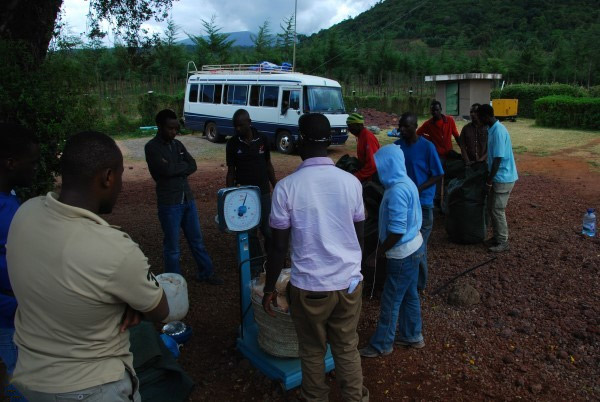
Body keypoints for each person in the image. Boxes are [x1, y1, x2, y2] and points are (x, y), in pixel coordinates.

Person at [6, 131, 170, 401]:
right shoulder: (115, 250)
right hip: (92, 387)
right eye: (120, 176)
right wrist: (129, 300)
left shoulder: (26, 213)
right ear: (107, 177)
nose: (122, 186)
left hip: (32, 379)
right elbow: (161, 310)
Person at [263, 113, 369, 402]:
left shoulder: (286, 188)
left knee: (311, 351)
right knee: (347, 348)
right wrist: (352, 272)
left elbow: (277, 247)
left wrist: (270, 288)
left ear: (300, 140)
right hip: (347, 283)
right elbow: (359, 237)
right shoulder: (351, 183)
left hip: (309, 287)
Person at [359, 144, 425, 358]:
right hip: (415, 247)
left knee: (391, 299)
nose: (377, 170)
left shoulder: (396, 191)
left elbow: (396, 231)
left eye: (380, 166)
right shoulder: (407, 182)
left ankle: (382, 344)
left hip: (402, 253)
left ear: (389, 165)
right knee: (409, 294)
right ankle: (412, 335)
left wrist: (377, 253)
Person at [145, 109, 222, 284]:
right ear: (159, 126)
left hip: (187, 199)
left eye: (176, 128)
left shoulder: (177, 145)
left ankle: (206, 273)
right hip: (169, 203)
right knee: (172, 247)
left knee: (197, 241)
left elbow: (192, 165)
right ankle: (174, 283)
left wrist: (174, 168)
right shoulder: (152, 147)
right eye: (170, 128)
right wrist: (179, 167)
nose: (174, 132)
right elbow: (164, 171)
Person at [0, 123, 39, 400]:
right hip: (9, 316)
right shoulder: (5, 213)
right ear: (11, 163)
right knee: (20, 382)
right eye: (32, 163)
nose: (35, 169)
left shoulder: (10, 199)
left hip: (16, 311)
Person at [394, 112, 444, 292]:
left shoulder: (427, 147)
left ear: (415, 127)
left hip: (422, 203)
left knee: (418, 244)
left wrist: (418, 189)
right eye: (401, 126)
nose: (402, 129)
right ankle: (406, 280)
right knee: (404, 243)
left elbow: (438, 174)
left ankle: (419, 285)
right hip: (403, 204)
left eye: (406, 126)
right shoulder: (397, 147)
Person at [226, 109, 277, 258]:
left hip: (263, 192)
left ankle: (272, 257)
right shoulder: (233, 144)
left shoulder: (262, 139)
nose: (237, 129)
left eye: (241, 125)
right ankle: (257, 263)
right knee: (250, 231)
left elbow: (268, 164)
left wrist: (276, 185)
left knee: (268, 229)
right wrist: (229, 196)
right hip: (244, 195)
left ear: (249, 122)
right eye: (235, 126)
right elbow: (231, 171)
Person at [477, 104, 518, 252]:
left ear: (486, 116)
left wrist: (489, 181)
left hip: (503, 177)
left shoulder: (499, 132)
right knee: (492, 208)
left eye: (480, 117)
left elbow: (498, 159)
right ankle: (496, 237)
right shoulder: (492, 129)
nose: (479, 120)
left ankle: (503, 241)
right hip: (498, 176)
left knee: (497, 209)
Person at [346, 112, 381, 182]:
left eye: (351, 126)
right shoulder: (360, 136)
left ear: (359, 125)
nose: (349, 129)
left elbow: (373, 164)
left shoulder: (368, 138)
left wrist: (358, 176)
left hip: (373, 176)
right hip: (367, 173)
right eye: (348, 126)